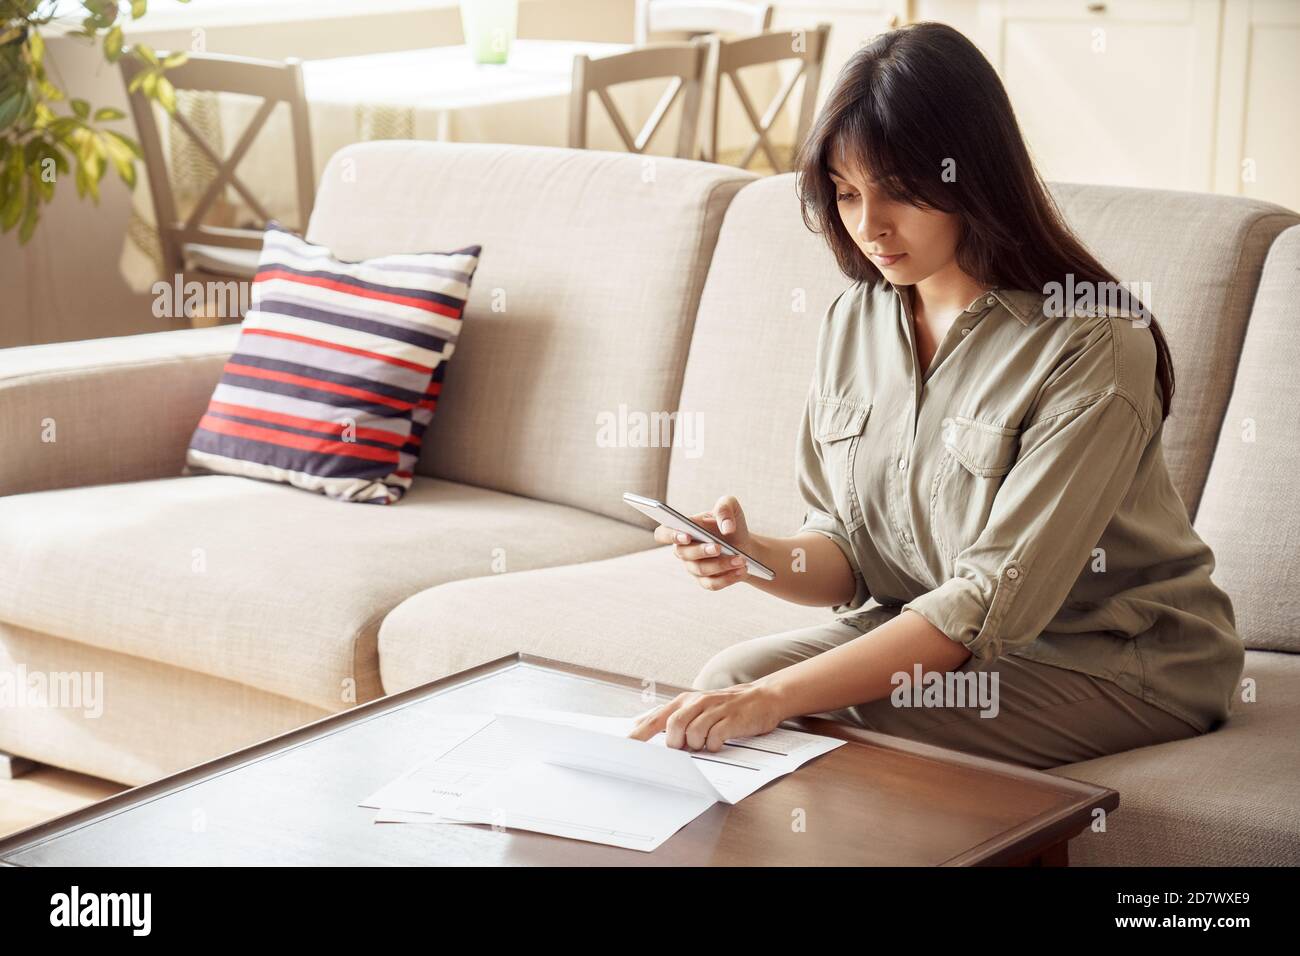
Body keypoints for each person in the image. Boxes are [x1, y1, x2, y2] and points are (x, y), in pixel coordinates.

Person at [628, 22, 1244, 770]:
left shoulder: (1094, 346)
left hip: (1111, 659)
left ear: (970, 179)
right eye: (846, 194)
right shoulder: (858, 318)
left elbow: (984, 601)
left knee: (798, 722)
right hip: (936, 634)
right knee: (726, 684)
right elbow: (852, 555)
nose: (867, 227)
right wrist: (754, 553)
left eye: (898, 193)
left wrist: (775, 699)